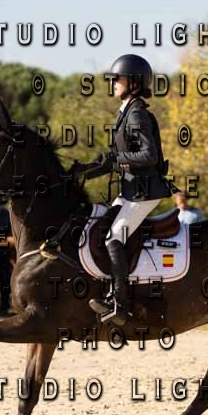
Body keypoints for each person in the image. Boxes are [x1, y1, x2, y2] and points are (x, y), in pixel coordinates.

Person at [88, 54, 174, 326]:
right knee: (100, 226)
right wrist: (85, 171)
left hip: (145, 192)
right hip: (131, 190)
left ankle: (120, 304)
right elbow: (121, 157)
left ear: (134, 83)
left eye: (118, 79)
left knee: (114, 237)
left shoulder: (136, 113)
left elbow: (148, 155)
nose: (113, 83)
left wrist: (117, 160)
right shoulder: (127, 111)